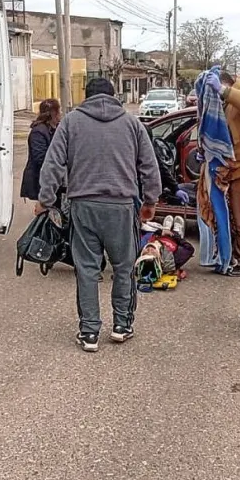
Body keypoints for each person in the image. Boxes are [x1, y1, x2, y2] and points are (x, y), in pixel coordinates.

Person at [37, 78, 162, 353]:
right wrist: (150, 200)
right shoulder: (131, 124)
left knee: (87, 269)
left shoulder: (70, 123)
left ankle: (89, 332)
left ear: (86, 96)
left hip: (83, 206)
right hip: (121, 206)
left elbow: (53, 164)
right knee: (124, 267)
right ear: (114, 96)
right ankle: (121, 326)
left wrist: (45, 200)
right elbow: (149, 166)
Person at [202, 70, 240, 277]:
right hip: (228, 168)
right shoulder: (224, 101)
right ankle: (233, 256)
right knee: (231, 218)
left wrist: (224, 91)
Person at [19, 98, 61, 203]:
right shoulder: (38, 132)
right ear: (53, 113)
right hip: (39, 179)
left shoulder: (56, 128)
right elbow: (40, 158)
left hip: (51, 179)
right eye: (58, 111)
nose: (60, 114)